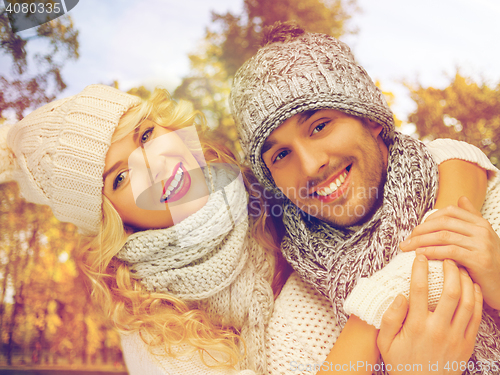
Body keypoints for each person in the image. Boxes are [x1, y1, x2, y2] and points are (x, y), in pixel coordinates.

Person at [0, 85, 487, 375]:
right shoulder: (155, 333)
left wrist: (434, 239)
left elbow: (427, 160)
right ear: (111, 218)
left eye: (146, 135)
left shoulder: (266, 188)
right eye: (121, 178)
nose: (154, 165)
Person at [230, 21, 500, 373]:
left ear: (371, 119)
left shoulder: (485, 207)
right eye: (280, 155)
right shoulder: (296, 322)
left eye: (320, 126)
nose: (311, 166)